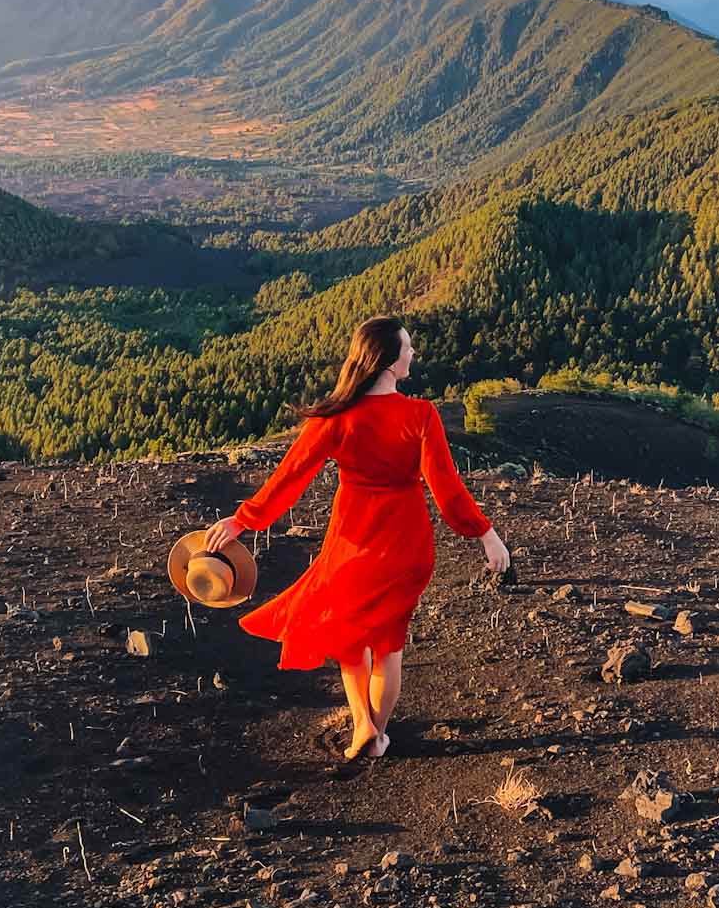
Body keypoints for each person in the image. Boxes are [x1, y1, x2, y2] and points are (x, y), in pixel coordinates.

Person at [204, 316, 510, 760]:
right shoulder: (420, 415)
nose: (412, 354)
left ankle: (363, 725)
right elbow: (447, 491)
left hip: (352, 542)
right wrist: (486, 534)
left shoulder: (335, 416)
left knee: (351, 637)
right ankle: (377, 735)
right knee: (388, 644)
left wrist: (242, 521)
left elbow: (288, 479)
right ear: (388, 360)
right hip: (407, 546)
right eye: (407, 348)